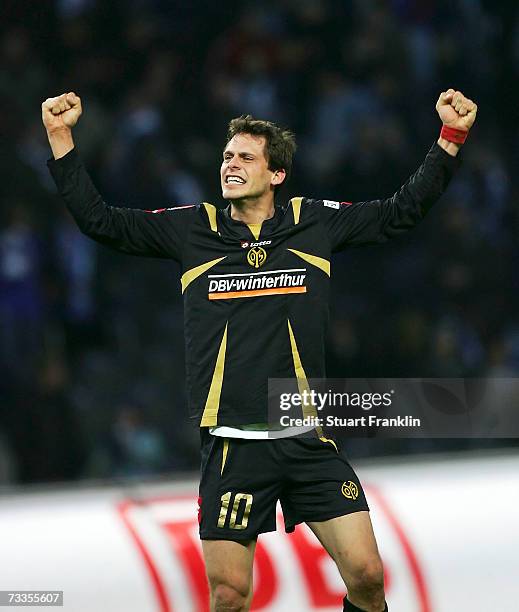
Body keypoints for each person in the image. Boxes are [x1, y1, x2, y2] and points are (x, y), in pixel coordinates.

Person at [42, 88, 477, 612]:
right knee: (229, 594)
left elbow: (399, 212)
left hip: (306, 437)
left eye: (246, 157)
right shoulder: (191, 229)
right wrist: (61, 138)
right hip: (232, 444)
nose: (231, 164)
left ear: (276, 175)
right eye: (227, 156)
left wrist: (449, 139)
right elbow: (103, 222)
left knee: (366, 575)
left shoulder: (312, 222)